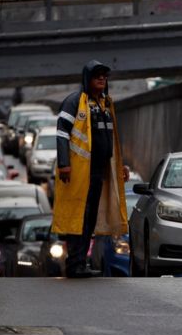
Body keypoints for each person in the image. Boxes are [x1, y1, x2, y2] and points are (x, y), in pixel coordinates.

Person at [52, 60, 130, 278]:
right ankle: (74, 264)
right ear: (87, 78)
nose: (102, 79)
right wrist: (64, 164)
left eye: (105, 76)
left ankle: (80, 263)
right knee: (79, 217)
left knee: (89, 218)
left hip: (98, 172)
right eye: (98, 75)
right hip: (78, 173)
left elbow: (111, 139)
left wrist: (119, 164)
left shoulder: (105, 104)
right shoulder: (75, 102)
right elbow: (61, 132)